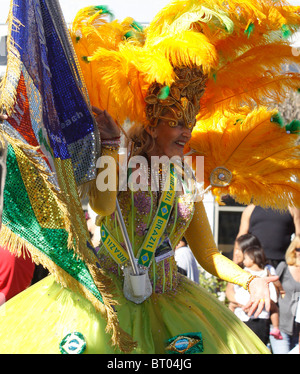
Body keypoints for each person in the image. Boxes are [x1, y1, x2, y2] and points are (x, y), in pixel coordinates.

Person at [0, 1, 299, 355]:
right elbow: (102, 205)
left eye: (189, 123)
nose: (186, 132)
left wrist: (251, 278)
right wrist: (110, 145)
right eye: (177, 122)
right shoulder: (122, 165)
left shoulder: (187, 180)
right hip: (108, 299)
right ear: (153, 124)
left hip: (170, 300)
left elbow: (207, 256)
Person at [235, 204, 300, 269]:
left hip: (283, 262)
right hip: (254, 262)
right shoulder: (251, 208)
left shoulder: (292, 208)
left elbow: (298, 236)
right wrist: (235, 261)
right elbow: (241, 237)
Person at [271, 235, 300, 354]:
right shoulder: (284, 267)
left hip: (298, 329)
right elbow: (272, 290)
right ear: (293, 250)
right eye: (298, 249)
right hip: (281, 325)